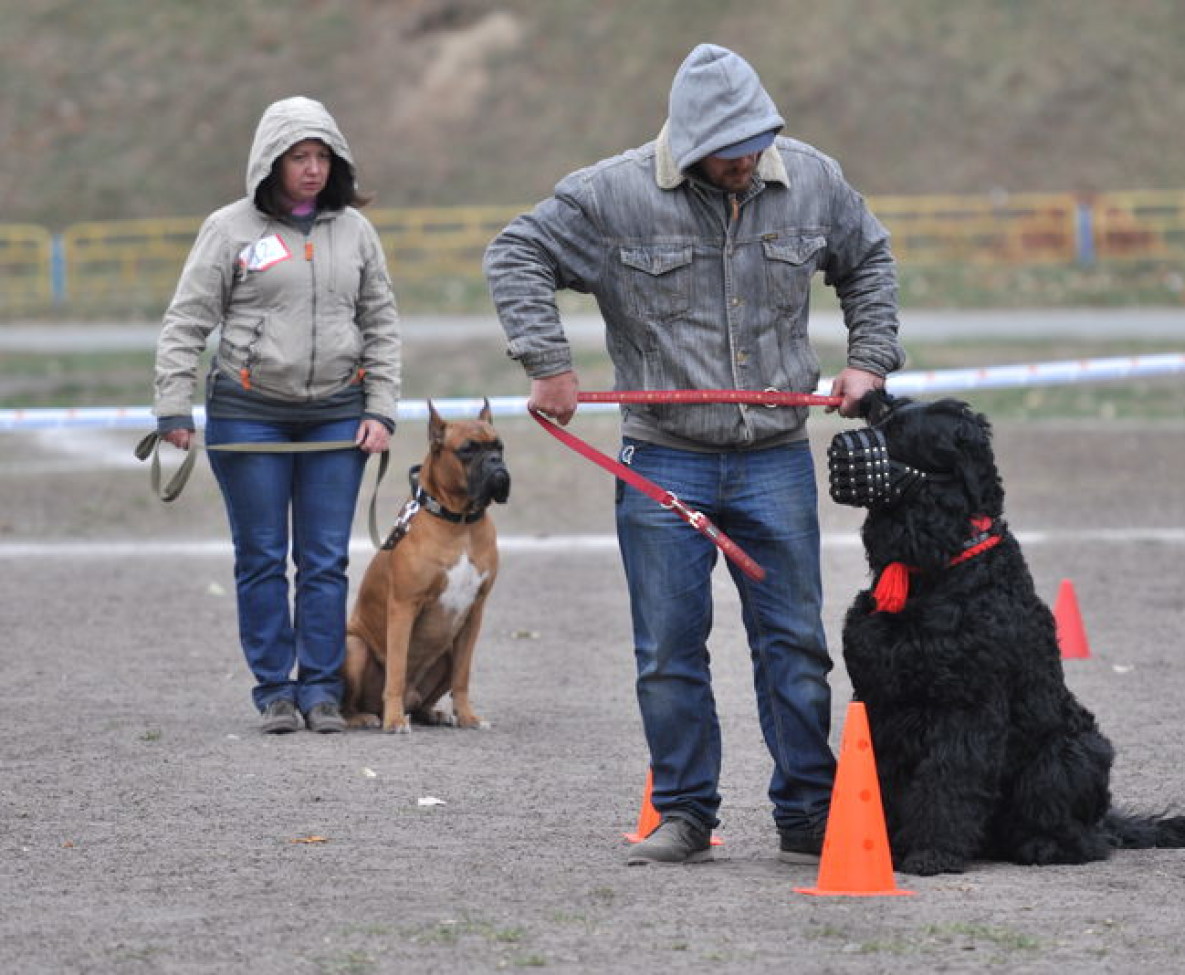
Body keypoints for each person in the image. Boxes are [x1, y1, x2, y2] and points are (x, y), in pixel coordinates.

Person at [483, 44, 903, 863]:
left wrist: (871, 358)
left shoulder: (812, 180)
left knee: (796, 645)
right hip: (661, 459)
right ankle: (683, 812)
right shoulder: (613, 195)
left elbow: (870, 259)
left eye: (757, 139)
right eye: (730, 145)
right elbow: (515, 252)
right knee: (668, 646)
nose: (747, 158)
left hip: (775, 456)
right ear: (688, 140)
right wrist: (548, 362)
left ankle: (809, 813)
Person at [152, 96, 401, 735]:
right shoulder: (229, 230)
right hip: (247, 414)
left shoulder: (356, 232)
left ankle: (321, 690)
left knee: (324, 559)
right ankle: (274, 692)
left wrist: (382, 410)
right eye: (299, 157)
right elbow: (186, 322)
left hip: (337, 416)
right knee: (262, 555)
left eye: (322, 156)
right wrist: (173, 405)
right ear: (272, 162)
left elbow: (381, 324)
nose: (312, 169)